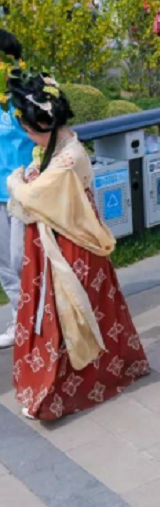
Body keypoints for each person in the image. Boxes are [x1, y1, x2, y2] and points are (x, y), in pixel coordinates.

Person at [7, 72, 151, 419]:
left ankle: (56, 392)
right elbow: (40, 184)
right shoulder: (58, 146)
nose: (28, 137)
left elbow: (31, 196)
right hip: (62, 238)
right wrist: (32, 174)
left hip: (70, 245)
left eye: (29, 130)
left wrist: (17, 179)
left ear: (46, 124)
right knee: (90, 309)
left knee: (67, 314)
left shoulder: (68, 158)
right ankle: (104, 371)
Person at [0, 32, 30, 350]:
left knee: (23, 261)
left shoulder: (22, 99)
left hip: (22, 194)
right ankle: (19, 318)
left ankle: (41, 319)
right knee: (5, 264)